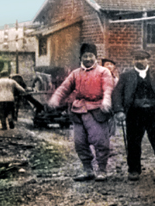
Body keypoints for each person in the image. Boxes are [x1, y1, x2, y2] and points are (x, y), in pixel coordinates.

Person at [48, 43, 115, 181]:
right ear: (81, 58)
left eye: (91, 56)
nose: (88, 59)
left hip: (97, 111)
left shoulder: (104, 72)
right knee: (80, 143)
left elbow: (108, 88)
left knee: (101, 142)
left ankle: (102, 170)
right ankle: (87, 170)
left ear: (96, 57)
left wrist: (106, 101)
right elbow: (64, 88)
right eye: (85, 56)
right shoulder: (75, 73)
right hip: (78, 111)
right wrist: (55, 99)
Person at [112, 50, 155, 182]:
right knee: (133, 142)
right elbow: (117, 94)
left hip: (154, 112)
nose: (140, 61)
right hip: (134, 113)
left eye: (143, 58)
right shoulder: (126, 76)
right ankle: (134, 170)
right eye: (137, 58)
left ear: (148, 60)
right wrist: (119, 110)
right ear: (133, 60)